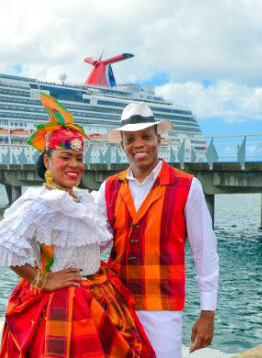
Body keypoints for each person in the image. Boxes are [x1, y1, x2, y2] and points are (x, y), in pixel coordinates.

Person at [0, 93, 155, 357]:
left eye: (78, 158)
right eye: (66, 157)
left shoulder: (84, 199)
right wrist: (43, 280)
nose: (74, 165)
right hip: (62, 300)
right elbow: (5, 248)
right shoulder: (38, 203)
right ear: (47, 161)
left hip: (102, 293)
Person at [96, 102, 219, 357]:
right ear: (122, 145)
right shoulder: (108, 188)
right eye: (130, 139)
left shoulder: (187, 186)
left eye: (145, 137)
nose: (138, 144)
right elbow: (95, 244)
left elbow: (204, 251)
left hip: (163, 307)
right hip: (116, 303)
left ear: (158, 139)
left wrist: (207, 313)